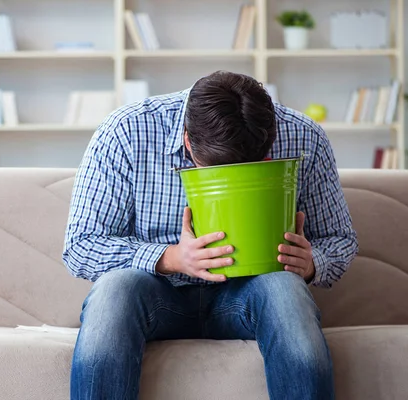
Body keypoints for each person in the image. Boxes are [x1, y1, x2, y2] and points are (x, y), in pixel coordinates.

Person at [62, 70, 358, 400]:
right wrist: (171, 258)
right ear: (188, 141)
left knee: (285, 288)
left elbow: (339, 239)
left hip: (250, 295)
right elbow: (81, 246)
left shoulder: (303, 135)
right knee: (114, 290)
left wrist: (311, 263)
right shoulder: (127, 131)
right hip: (158, 295)